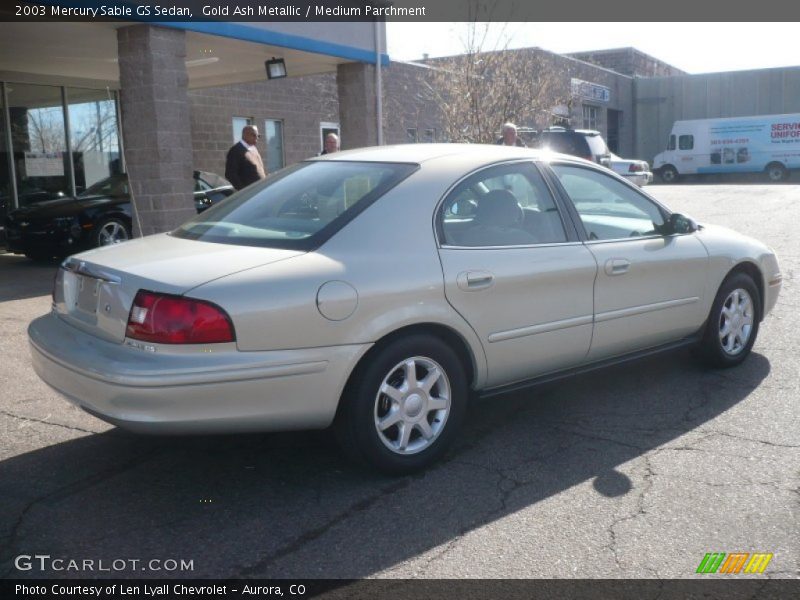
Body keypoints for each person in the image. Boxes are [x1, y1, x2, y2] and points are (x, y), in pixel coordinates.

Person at [225, 125, 266, 190]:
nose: (256, 138)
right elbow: (230, 174)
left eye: (258, 136)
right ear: (245, 135)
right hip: (250, 193)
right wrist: (243, 190)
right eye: (254, 135)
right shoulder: (236, 150)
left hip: (261, 190)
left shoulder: (254, 149)